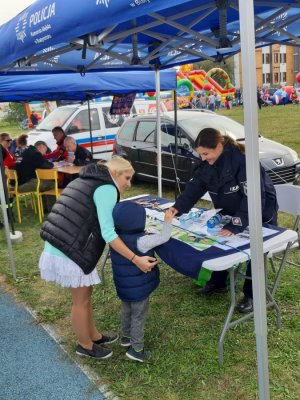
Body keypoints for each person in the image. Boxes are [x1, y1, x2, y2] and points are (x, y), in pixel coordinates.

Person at [38, 157, 158, 360]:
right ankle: (84, 345)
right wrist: (135, 259)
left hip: (63, 243)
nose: (128, 184)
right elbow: (108, 233)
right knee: (80, 301)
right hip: (70, 249)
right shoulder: (107, 188)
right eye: (127, 178)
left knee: (85, 296)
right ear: (116, 174)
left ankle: (93, 335)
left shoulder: (87, 179)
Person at [169, 128, 278, 313]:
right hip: (230, 211)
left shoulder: (243, 161)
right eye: (200, 154)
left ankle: (252, 295)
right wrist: (177, 207)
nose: (203, 158)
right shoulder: (207, 162)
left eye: (206, 153)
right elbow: (195, 186)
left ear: (219, 146)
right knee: (219, 240)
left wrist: (235, 225)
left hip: (260, 213)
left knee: (254, 251)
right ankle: (218, 282)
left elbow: (253, 198)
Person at [110, 201, 173, 363]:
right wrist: (167, 220)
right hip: (139, 289)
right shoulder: (143, 241)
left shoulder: (115, 239)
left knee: (126, 310)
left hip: (123, 285)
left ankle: (125, 337)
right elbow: (164, 237)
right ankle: (136, 349)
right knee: (138, 316)